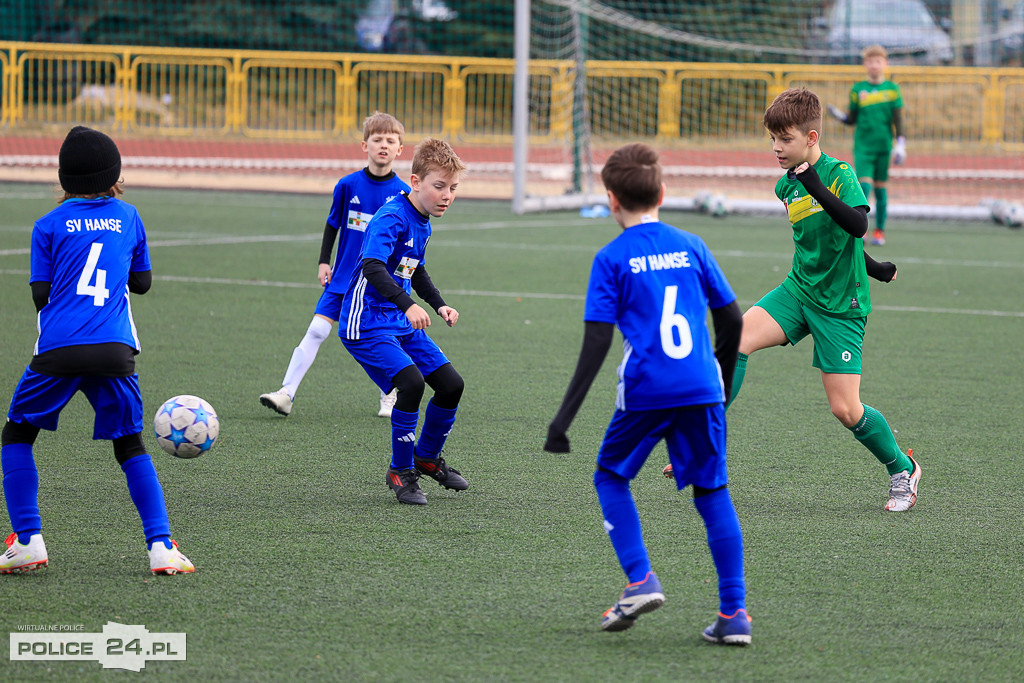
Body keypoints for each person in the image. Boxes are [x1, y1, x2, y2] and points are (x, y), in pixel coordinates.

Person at [544, 142, 752, 644]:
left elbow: (596, 344)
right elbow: (731, 320)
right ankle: (734, 614)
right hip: (702, 388)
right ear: (662, 192)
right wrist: (720, 384)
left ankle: (640, 579)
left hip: (646, 388)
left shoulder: (611, 257)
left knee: (610, 477)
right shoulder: (693, 243)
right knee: (713, 492)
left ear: (611, 200)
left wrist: (563, 420)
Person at [1, 126, 194, 575]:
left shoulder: (47, 224)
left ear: (64, 179)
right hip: (114, 350)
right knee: (130, 445)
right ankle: (162, 546)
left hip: (59, 351)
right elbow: (142, 284)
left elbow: (39, 294)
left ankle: (27, 539)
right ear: (116, 174)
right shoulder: (129, 216)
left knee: (16, 435)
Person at [728, 87, 919, 512]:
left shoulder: (837, 174)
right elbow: (827, 242)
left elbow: (854, 224)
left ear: (811, 138)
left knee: (845, 409)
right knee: (735, 339)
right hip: (798, 290)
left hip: (840, 307)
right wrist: (877, 267)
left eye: (786, 139)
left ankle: (902, 469)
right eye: (772, 139)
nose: (777, 148)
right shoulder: (786, 186)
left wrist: (813, 183)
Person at [339, 137, 468, 505]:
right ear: (415, 182)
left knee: (450, 384)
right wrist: (408, 305)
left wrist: (439, 304)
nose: (447, 195)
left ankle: (426, 458)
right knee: (411, 383)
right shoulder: (392, 217)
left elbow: (415, 268)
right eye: (439, 186)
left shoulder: (423, 220)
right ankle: (400, 470)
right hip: (365, 323)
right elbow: (373, 266)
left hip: (396, 318)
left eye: (453, 188)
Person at [260, 112, 409, 418]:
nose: (383, 145)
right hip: (342, 277)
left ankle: (389, 392)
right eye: (377, 139)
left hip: (376, 284)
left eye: (390, 140)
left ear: (400, 149)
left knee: (379, 339)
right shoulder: (347, 185)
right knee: (316, 330)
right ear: (364, 145)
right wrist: (323, 261)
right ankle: (286, 393)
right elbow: (333, 225)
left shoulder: (403, 194)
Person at [827, 45, 905, 246]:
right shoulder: (857, 90)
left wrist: (901, 143)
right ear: (865, 65)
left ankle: (880, 231)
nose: (874, 65)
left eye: (878, 61)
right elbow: (852, 119)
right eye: (870, 62)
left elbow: (898, 120)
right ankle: (861, 230)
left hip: (883, 147)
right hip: (863, 146)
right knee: (864, 186)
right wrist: (841, 117)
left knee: (881, 190)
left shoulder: (892, 90)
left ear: (885, 64)